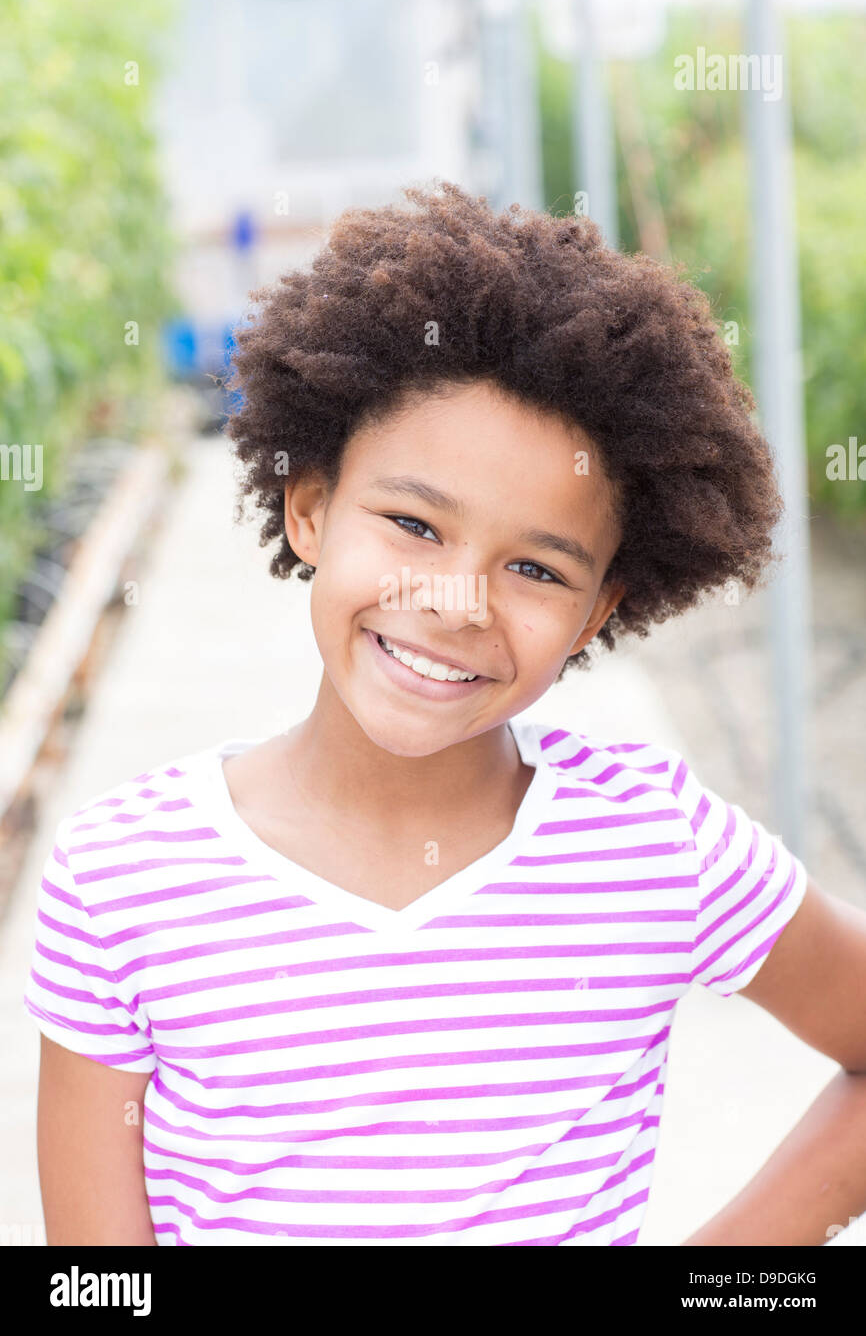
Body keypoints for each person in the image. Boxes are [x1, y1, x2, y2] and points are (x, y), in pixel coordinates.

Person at [24, 182, 866, 1246]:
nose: (456, 602)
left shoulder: (654, 843)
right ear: (312, 507)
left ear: (598, 609)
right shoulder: (123, 877)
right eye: (413, 523)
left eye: (533, 566)